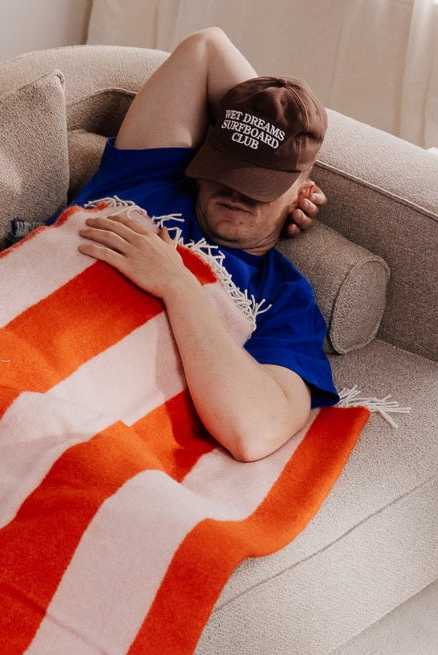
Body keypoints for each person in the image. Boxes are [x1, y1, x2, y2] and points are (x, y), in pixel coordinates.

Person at [72, 27, 336, 462]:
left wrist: (176, 285)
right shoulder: (147, 178)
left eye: (258, 184)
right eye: (223, 168)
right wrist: (254, 122)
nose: (233, 191)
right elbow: (207, 47)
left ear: (301, 190)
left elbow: (253, 431)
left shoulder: (285, 298)